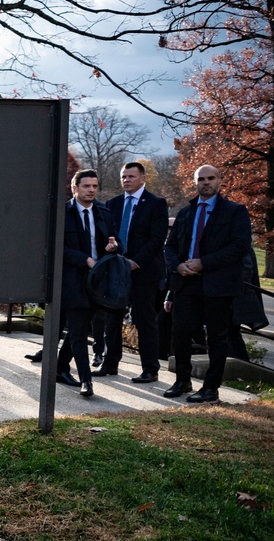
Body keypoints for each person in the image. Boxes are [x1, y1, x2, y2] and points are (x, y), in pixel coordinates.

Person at [163, 165, 251, 404]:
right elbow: (169, 247)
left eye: (210, 178)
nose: (205, 182)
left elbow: (240, 246)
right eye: (200, 179)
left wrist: (204, 263)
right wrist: (177, 266)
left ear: (220, 181)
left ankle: (211, 388)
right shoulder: (185, 213)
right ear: (195, 182)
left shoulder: (235, 211)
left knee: (217, 337)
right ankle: (182, 380)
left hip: (218, 284)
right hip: (186, 282)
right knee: (180, 334)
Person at [95, 162, 169, 383]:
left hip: (143, 272)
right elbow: (108, 234)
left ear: (142, 178)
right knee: (112, 318)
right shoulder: (113, 204)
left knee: (144, 319)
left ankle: (150, 368)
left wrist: (136, 263)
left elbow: (157, 239)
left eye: (130, 176)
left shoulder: (156, 204)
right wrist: (111, 250)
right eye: (123, 176)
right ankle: (110, 363)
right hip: (117, 271)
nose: (126, 180)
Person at [56, 169, 118, 398]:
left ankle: (61, 368)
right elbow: (58, 247)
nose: (91, 190)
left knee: (78, 329)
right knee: (79, 332)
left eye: (94, 186)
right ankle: (86, 380)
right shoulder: (63, 212)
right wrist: (85, 259)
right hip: (72, 279)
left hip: (98, 281)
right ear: (75, 188)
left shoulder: (103, 212)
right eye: (86, 186)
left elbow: (113, 240)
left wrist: (112, 247)